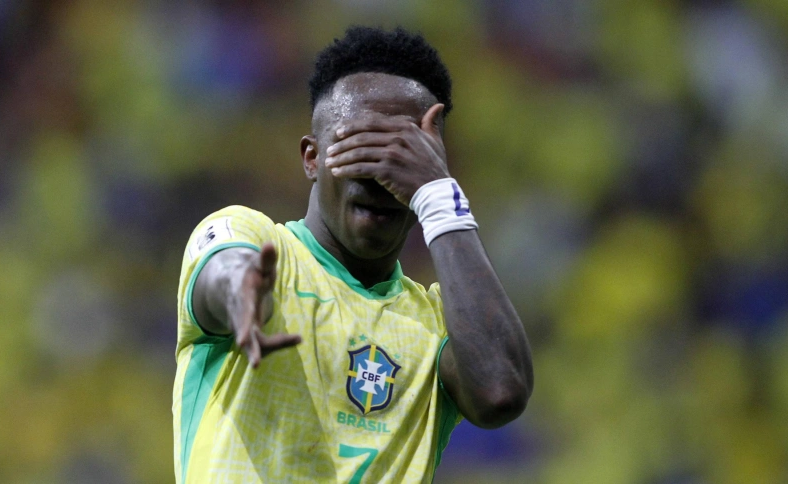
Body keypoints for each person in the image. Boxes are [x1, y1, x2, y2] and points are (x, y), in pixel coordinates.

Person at [172, 26, 533, 483]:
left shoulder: (441, 324)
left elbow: (501, 392)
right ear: (312, 158)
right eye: (358, 148)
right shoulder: (255, 240)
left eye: (399, 155)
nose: (379, 175)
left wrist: (440, 199)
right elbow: (228, 272)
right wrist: (242, 294)